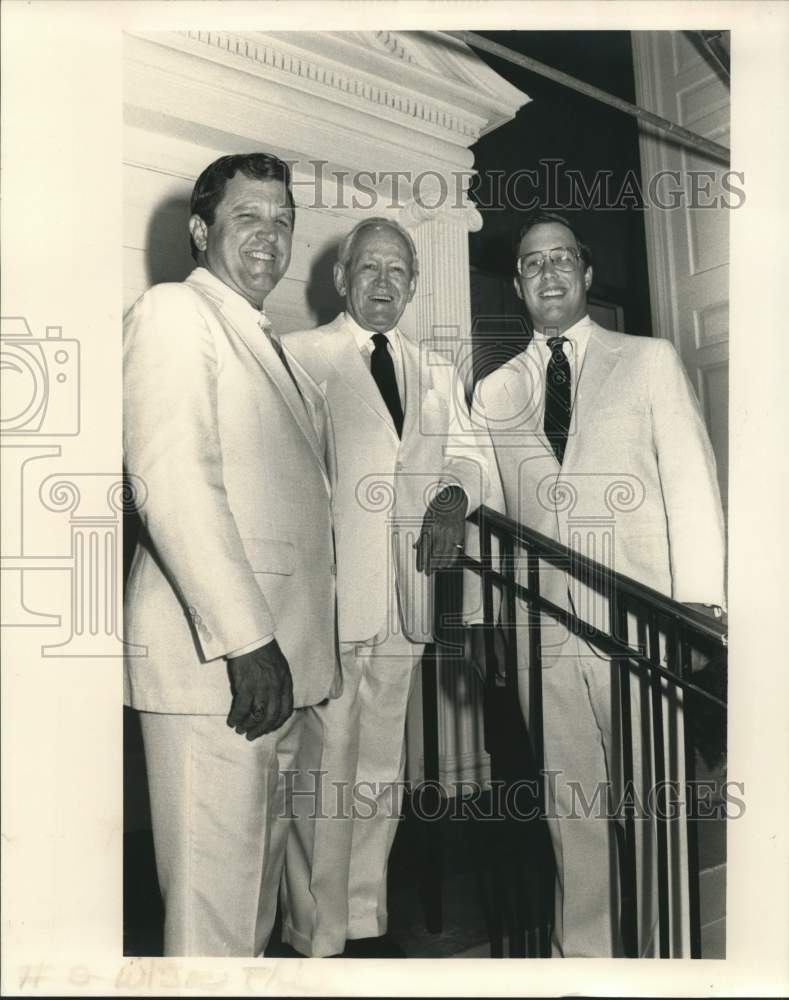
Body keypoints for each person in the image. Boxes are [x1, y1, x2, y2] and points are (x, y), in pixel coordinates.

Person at [436, 210, 726, 957]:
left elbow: (690, 481)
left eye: (561, 258)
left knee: (650, 799)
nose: (549, 273)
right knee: (571, 803)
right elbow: (484, 505)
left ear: (586, 274)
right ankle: (585, 957)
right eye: (533, 264)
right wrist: (479, 615)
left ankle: (666, 956)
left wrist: (699, 609)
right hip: (544, 632)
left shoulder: (648, 358)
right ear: (518, 284)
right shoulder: (495, 391)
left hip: (642, 624)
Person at [123, 152, 340, 957]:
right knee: (212, 923)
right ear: (200, 230)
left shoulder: (269, 344)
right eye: (249, 217)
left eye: (282, 221)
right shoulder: (176, 312)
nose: (270, 235)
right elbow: (171, 479)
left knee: (246, 910)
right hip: (219, 665)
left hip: (275, 671)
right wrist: (248, 640)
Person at [281, 217, 495, 958]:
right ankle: (314, 935)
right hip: (332, 601)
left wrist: (451, 499)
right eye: (367, 268)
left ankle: (364, 920)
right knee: (323, 770)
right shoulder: (299, 356)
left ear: (411, 284)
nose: (382, 283)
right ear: (340, 279)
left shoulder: (436, 371)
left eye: (397, 271)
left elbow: (471, 462)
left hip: (405, 603)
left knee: (380, 769)